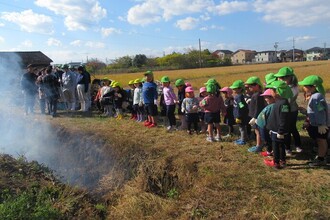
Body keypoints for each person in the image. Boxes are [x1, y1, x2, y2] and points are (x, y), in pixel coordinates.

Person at [298, 75, 329, 166]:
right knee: (321, 140)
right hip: (317, 123)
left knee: (321, 140)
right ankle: (321, 155)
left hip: (320, 125)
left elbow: (320, 112)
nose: (303, 88)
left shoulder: (316, 97)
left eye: (305, 86)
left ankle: (321, 159)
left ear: (312, 87)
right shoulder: (315, 96)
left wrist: (321, 124)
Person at [264, 80, 293, 169]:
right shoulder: (279, 102)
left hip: (278, 131)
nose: (271, 92)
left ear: (278, 92)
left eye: (272, 90)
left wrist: (280, 131)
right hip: (275, 130)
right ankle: (282, 161)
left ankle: (276, 162)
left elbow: (283, 118)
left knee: (277, 146)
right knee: (280, 146)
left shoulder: (284, 104)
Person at [275, 66, 302, 154]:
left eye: (283, 78)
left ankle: (297, 145)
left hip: (291, 111)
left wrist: (276, 96)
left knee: (292, 128)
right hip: (284, 111)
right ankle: (287, 147)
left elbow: (288, 100)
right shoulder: (281, 86)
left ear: (291, 78)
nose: (281, 79)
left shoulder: (293, 88)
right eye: (279, 77)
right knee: (285, 130)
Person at [245, 76, 266, 153]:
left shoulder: (257, 95)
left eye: (250, 86)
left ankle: (258, 146)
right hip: (255, 116)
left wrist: (255, 117)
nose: (249, 88)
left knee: (257, 132)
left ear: (256, 85)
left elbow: (258, 107)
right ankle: (260, 144)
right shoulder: (256, 94)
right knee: (257, 131)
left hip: (257, 117)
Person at [256, 89, 275, 157]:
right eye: (264, 97)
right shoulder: (269, 105)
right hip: (262, 126)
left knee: (268, 140)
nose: (265, 99)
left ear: (273, 97)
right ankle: (269, 151)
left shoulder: (273, 106)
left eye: (266, 97)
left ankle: (271, 151)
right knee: (265, 139)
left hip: (266, 127)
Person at [230, 80, 249, 145]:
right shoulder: (238, 96)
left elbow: (241, 107)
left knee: (242, 128)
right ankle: (244, 138)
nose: (233, 90)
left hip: (240, 116)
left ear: (240, 89)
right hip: (238, 115)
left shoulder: (239, 97)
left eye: (235, 88)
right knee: (242, 127)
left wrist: (238, 116)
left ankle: (243, 140)